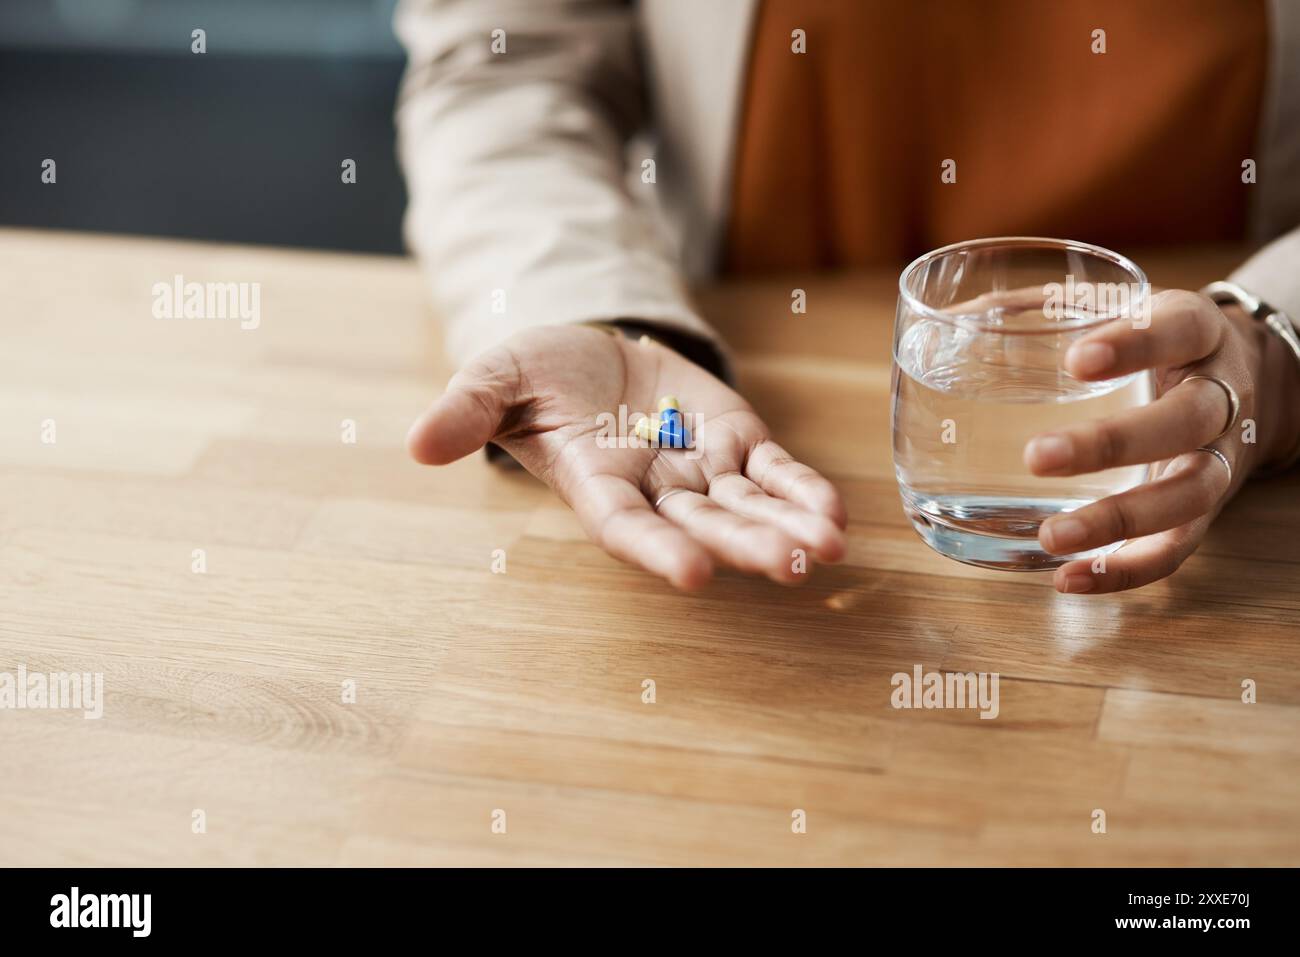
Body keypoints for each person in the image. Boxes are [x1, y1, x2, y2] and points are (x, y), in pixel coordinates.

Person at [393, 0, 1300, 592]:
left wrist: (1275, 329)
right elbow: (506, 66)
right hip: (771, 366)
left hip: (1240, 532)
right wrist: (595, 307)